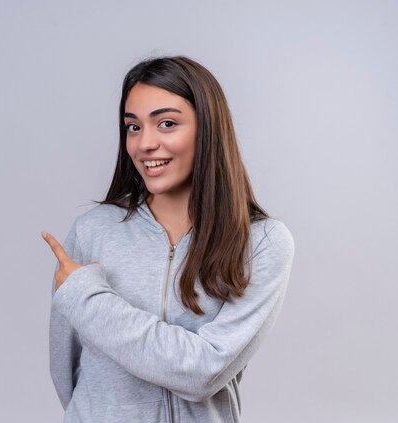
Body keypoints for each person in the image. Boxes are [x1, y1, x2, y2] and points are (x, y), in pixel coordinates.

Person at [41, 55, 295, 423]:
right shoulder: (92, 231)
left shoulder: (262, 243)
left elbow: (204, 371)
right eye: (133, 127)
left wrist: (88, 299)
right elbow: (66, 371)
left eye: (166, 123)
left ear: (207, 128)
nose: (145, 143)